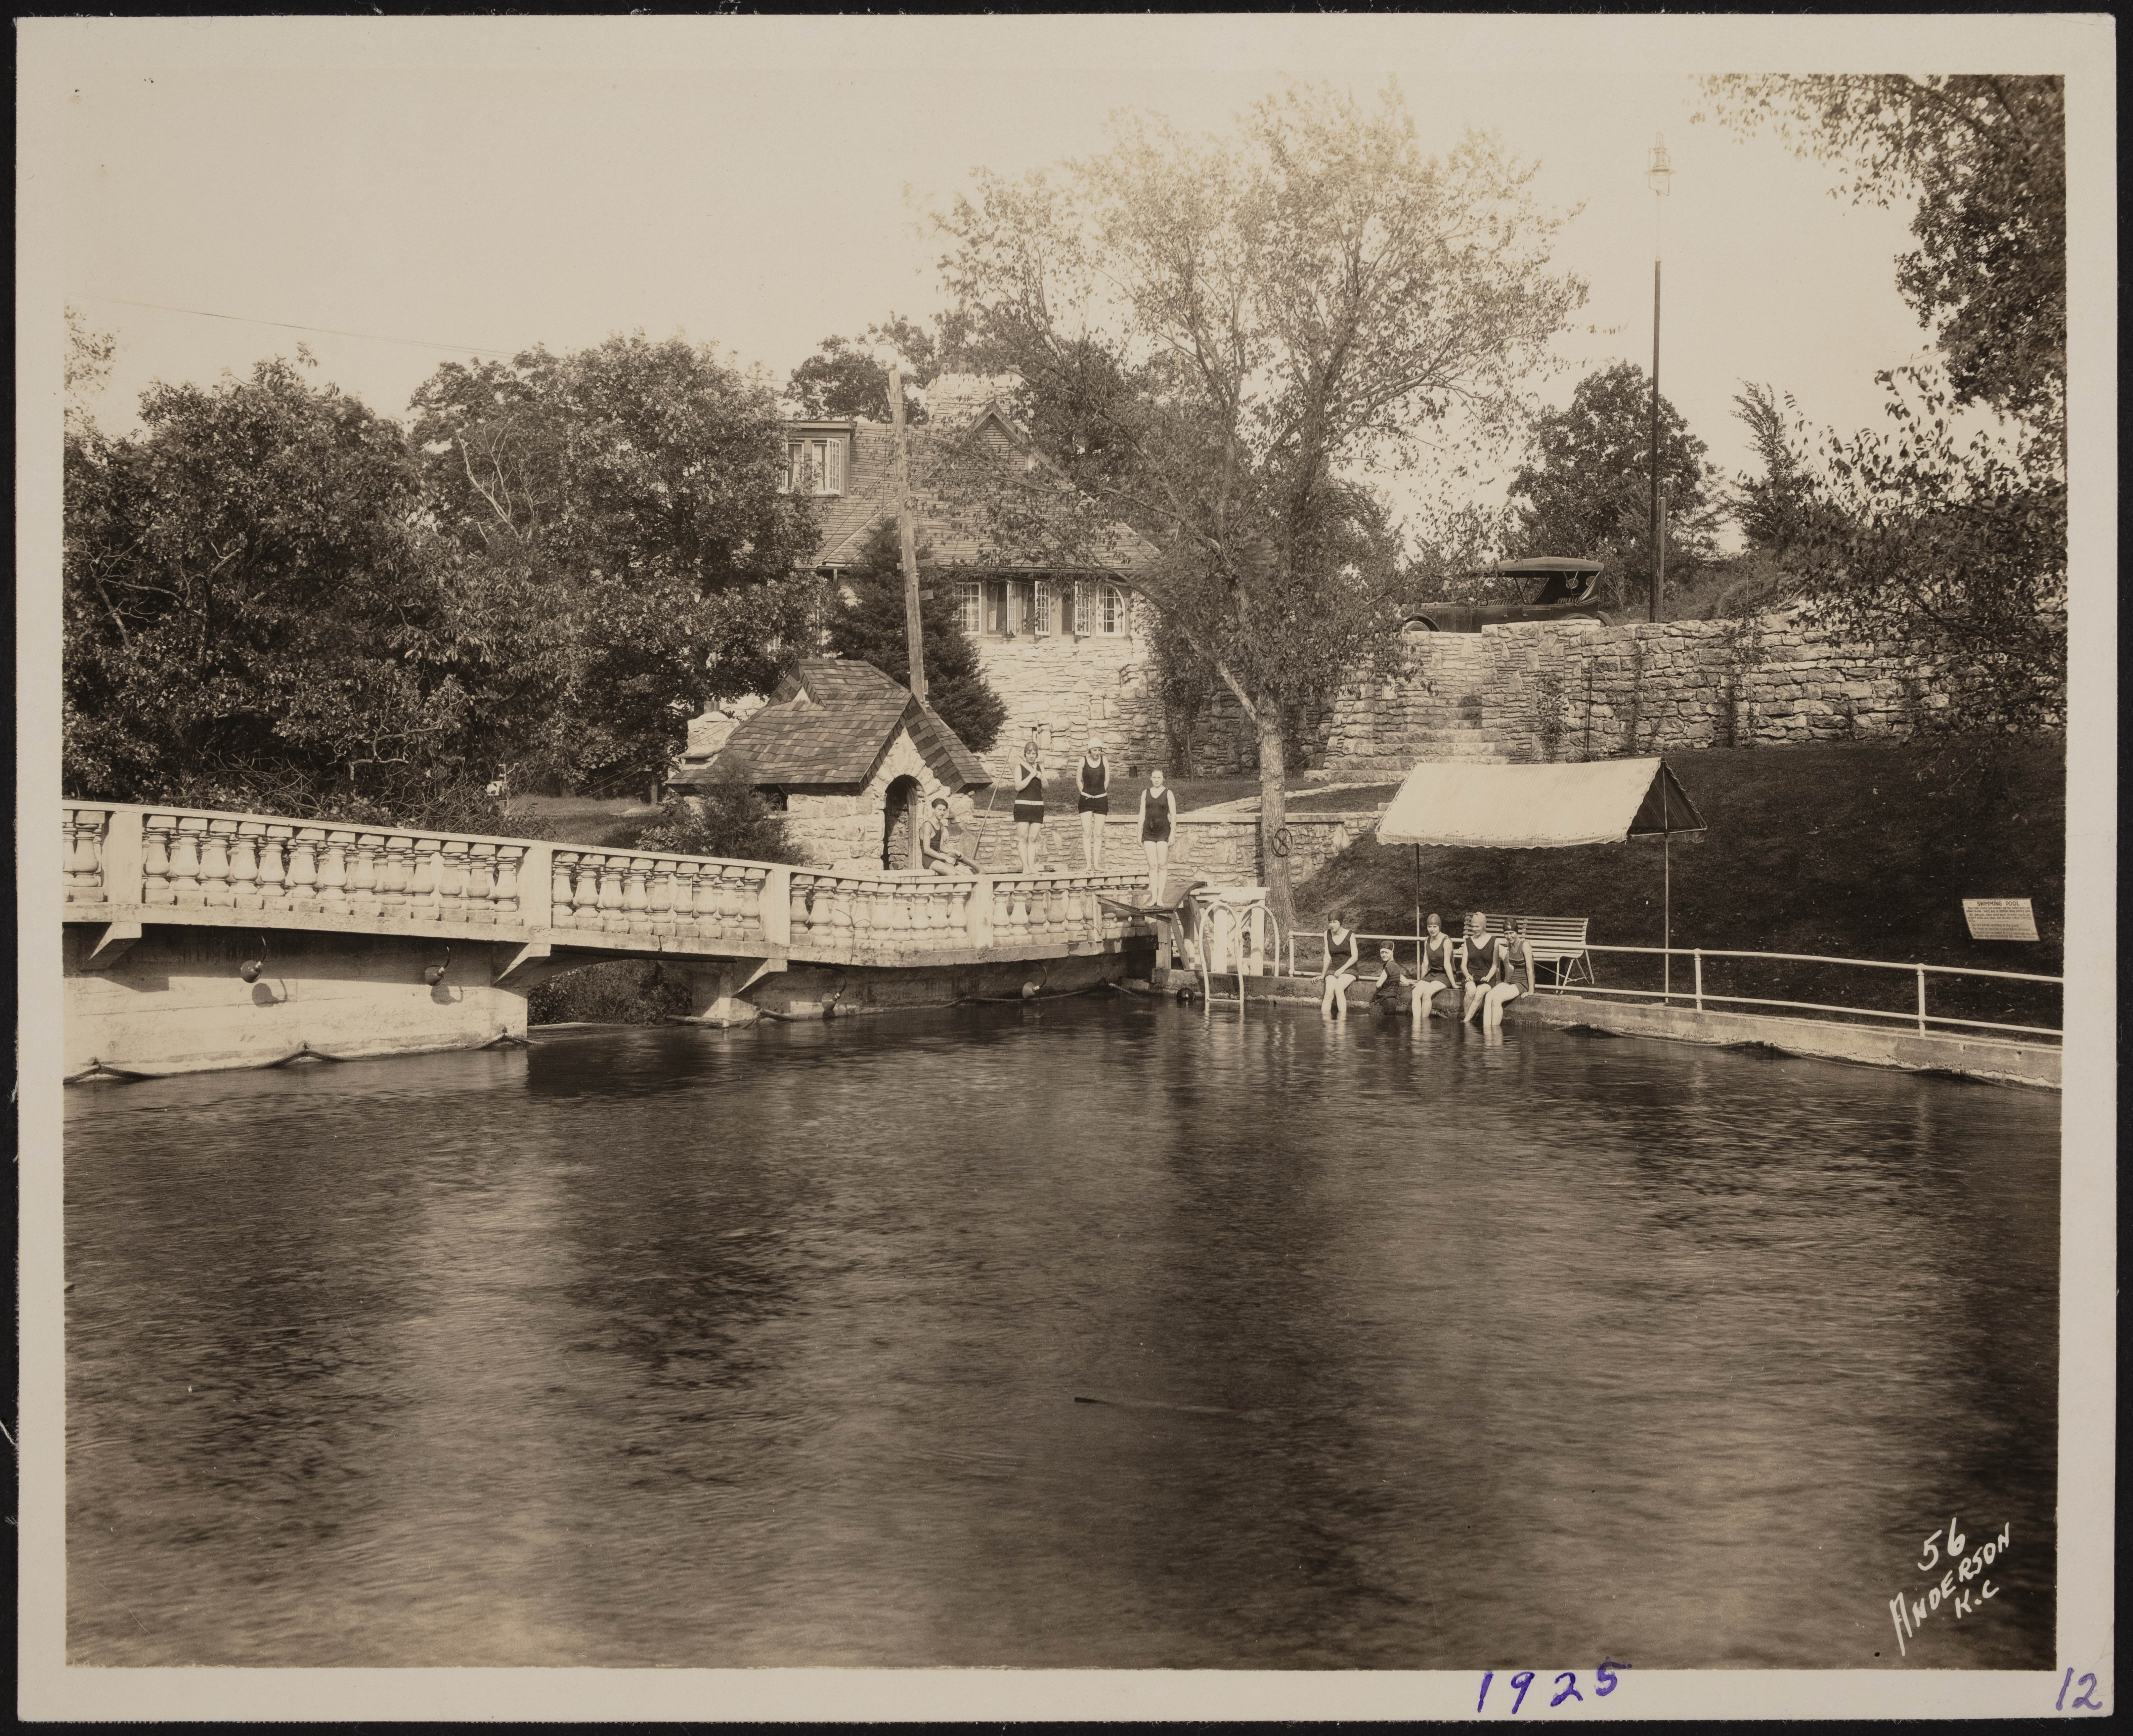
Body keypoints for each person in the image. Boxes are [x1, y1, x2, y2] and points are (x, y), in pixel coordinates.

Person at [1483, 916, 1538, 1031]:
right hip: (1513, 980)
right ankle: (1487, 1033)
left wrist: (1531, 991)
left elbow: (1530, 969)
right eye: (1506, 934)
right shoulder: (1510, 944)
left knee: (1497, 999)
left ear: (1517, 932)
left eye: (1512, 933)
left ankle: (1496, 1034)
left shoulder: (1525, 945)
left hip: (1524, 982)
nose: (1509, 937)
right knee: (1489, 996)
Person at [1138, 767, 1179, 904]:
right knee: (1152, 866)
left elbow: (1173, 815)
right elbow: (1142, 814)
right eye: (1154, 778)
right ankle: (1153, 897)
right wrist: (1139, 833)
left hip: (1163, 831)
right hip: (1148, 831)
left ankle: (1160, 898)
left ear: (1163, 779)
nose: (1156, 780)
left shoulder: (1169, 793)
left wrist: (1172, 834)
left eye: (1159, 778)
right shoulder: (1146, 793)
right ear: (1151, 778)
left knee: (1162, 865)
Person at [1460, 911, 1500, 1024]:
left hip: (1487, 977)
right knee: (1472, 991)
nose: (1475, 929)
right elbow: (1463, 965)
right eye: (1473, 926)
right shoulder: (1468, 942)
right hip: (1471, 976)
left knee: (1480, 992)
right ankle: (1468, 1019)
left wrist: (1488, 977)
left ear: (1484, 926)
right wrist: (1467, 975)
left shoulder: (1494, 941)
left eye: (1477, 926)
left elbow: (1495, 965)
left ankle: (1466, 1022)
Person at [1077, 737, 1110, 872]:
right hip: (1086, 801)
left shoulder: (1105, 761)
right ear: (1090, 750)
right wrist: (1084, 793)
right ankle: (1088, 865)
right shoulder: (1083, 761)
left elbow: (1107, 779)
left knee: (1098, 834)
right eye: (1095, 750)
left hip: (1101, 800)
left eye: (1099, 750)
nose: (1097, 753)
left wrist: (1101, 792)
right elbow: (1078, 780)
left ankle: (1096, 865)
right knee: (1087, 832)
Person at [1012, 737, 1045, 873]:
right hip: (1023, 805)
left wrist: (1042, 777)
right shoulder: (1019, 768)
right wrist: (1031, 776)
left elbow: (1047, 787)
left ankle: (1032, 867)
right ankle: (1025, 867)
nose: (1031, 756)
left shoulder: (1040, 768)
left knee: (1033, 839)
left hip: (1037, 806)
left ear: (1037, 755)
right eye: (1029, 753)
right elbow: (1018, 787)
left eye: (1034, 754)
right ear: (1025, 755)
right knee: (1023, 838)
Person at [1415, 912, 1457, 1019]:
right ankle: (1416, 1024)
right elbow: (1426, 962)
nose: (1432, 930)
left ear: (1440, 927)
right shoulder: (1427, 940)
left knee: (1427, 993)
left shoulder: (1446, 941)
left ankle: (1424, 1024)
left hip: (1445, 975)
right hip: (1433, 974)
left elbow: (1447, 964)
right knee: (1416, 992)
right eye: (1430, 927)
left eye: (1435, 927)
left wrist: (1454, 985)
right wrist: (1421, 979)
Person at [1320, 911, 1361, 1017]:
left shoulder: (1350, 935)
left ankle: (1342, 1024)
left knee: (1338, 989)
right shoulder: (1327, 934)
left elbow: (1355, 957)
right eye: (1330, 922)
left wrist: (1342, 970)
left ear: (1341, 922)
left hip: (1349, 968)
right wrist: (1323, 975)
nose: (1332, 925)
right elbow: (1328, 956)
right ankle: (1327, 1027)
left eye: (1335, 922)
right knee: (1329, 992)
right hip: (1334, 967)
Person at [918, 797, 974, 875]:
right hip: (929, 860)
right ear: (933, 810)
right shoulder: (928, 825)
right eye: (940, 810)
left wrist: (954, 851)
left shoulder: (941, 825)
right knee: (952, 873)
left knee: (967, 871)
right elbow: (927, 850)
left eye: (944, 810)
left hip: (940, 858)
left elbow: (941, 847)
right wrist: (946, 858)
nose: (942, 813)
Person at [1367, 944, 1421, 1018]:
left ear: (1392, 952)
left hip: (1384, 1002)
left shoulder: (1389, 966)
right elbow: (1405, 981)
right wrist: (1411, 983)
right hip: (1392, 1003)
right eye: (1382, 953)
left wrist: (1379, 993)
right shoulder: (1395, 966)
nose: (1384, 955)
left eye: (1387, 952)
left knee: (1369, 1018)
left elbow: (1378, 984)